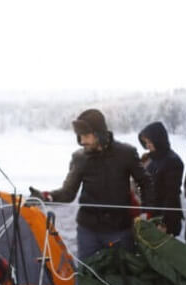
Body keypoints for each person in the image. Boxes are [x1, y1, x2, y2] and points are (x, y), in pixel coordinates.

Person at [30, 109, 154, 261]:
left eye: (86, 136)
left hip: (119, 230)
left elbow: (146, 183)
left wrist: (147, 212)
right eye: (80, 137)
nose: (82, 141)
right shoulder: (79, 158)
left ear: (99, 134)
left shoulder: (126, 153)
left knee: (120, 279)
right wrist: (45, 197)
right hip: (88, 231)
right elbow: (68, 193)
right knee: (88, 277)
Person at [138, 121, 184, 236]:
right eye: (146, 142)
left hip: (164, 218)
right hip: (151, 214)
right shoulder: (152, 159)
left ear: (158, 140)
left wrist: (164, 223)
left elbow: (171, 195)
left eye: (149, 142)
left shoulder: (172, 161)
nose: (147, 145)